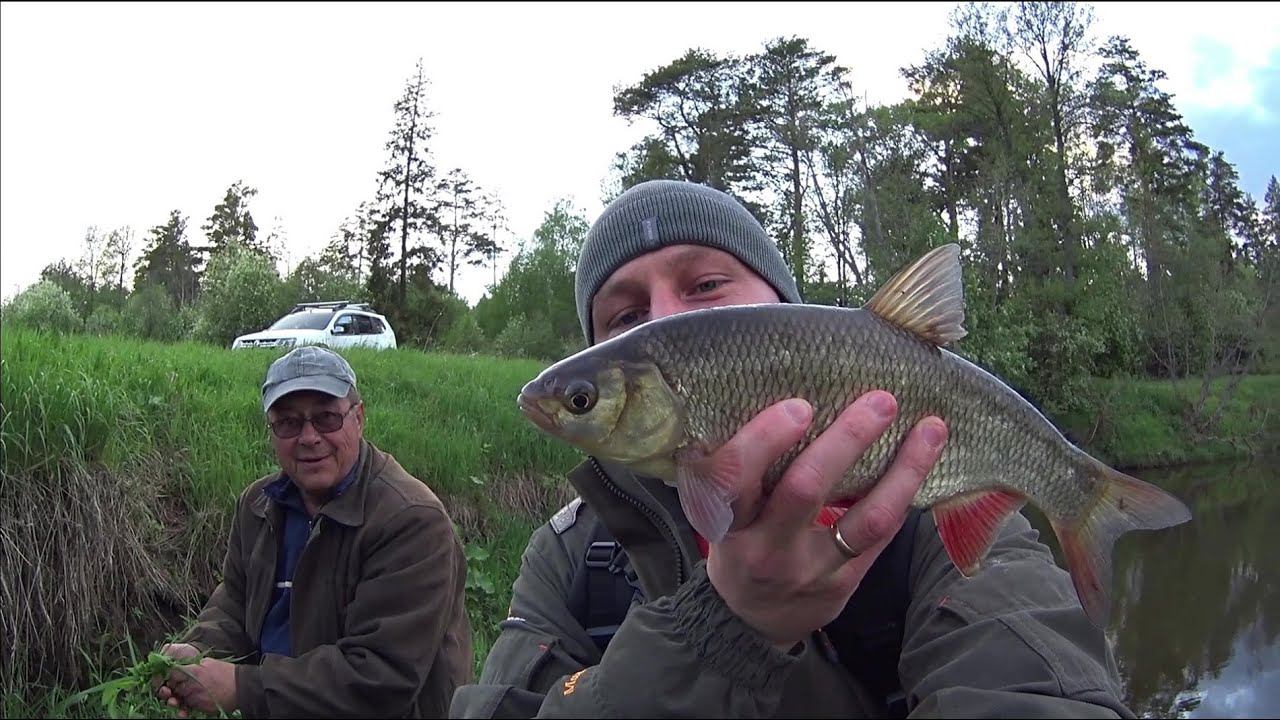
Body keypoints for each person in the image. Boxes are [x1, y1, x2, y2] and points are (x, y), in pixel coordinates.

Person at [449, 179, 1134, 718]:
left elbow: (1039, 696)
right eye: (626, 316)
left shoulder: (924, 523)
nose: (670, 320)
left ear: (786, 308)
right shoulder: (567, 560)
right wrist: (723, 629)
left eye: (707, 285)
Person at [154, 345, 473, 718]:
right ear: (271, 431)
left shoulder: (412, 521)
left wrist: (242, 687)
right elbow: (237, 601)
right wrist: (199, 650)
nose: (308, 437)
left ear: (359, 418)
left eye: (326, 418)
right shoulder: (258, 504)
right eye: (288, 422)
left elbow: (381, 678)